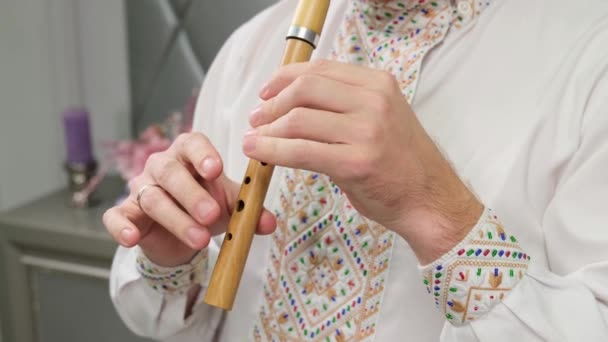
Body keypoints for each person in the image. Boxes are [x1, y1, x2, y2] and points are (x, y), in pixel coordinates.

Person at [102, 0, 608, 340]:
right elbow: (188, 323)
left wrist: (436, 213)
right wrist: (171, 261)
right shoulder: (254, 44)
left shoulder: (592, 52)